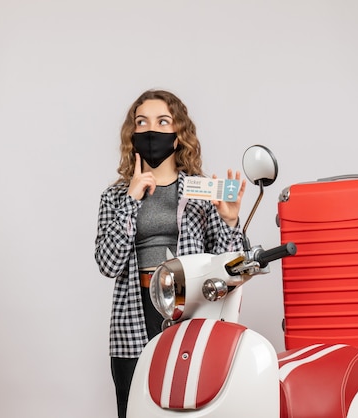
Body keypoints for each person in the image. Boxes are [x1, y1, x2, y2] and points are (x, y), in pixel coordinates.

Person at [94, 89, 246, 418]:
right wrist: (131, 201)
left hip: (190, 311)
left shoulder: (202, 191)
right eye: (142, 122)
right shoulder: (114, 196)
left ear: (178, 137)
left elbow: (231, 272)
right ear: (132, 135)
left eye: (163, 122)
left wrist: (230, 220)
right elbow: (108, 263)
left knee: (190, 405)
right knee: (135, 408)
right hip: (134, 320)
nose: (152, 130)